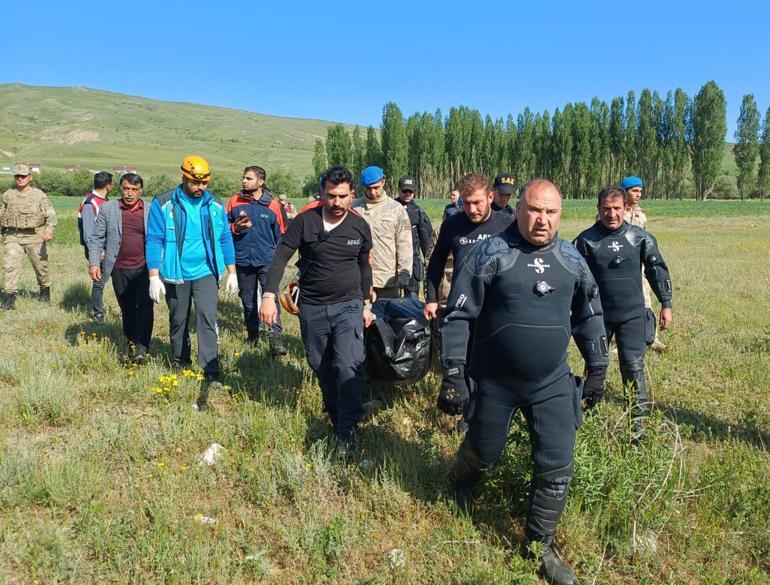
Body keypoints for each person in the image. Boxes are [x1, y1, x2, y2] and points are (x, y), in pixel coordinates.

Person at [439, 179, 609, 585]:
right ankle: (462, 484)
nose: (542, 220)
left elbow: (589, 315)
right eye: (534, 210)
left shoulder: (571, 259)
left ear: (561, 215)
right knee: (483, 454)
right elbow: (459, 315)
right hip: (495, 379)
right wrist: (454, 374)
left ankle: (539, 546)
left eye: (551, 213)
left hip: (550, 382)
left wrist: (598, 366)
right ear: (518, 209)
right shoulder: (491, 252)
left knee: (557, 465)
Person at [260, 165, 373, 457]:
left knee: (347, 364)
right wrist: (269, 296)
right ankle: (336, 414)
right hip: (312, 306)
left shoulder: (359, 226)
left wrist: (366, 304)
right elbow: (280, 258)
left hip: (349, 305)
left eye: (343, 196)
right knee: (320, 365)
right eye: (331, 196)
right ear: (322, 193)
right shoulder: (305, 222)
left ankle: (347, 430)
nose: (337, 203)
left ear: (352, 195)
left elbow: (364, 266)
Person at [573, 185, 673, 440]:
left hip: (632, 315)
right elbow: (570, 278)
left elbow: (657, 270)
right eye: (606, 209)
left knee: (633, 367)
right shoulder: (585, 241)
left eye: (617, 208)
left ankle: (636, 428)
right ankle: (587, 415)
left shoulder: (641, 238)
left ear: (626, 208)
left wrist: (666, 303)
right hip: (597, 316)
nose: (611, 214)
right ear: (598, 209)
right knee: (595, 367)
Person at [145, 155, 238, 410]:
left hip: (207, 271)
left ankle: (210, 368)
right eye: (196, 183)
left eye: (205, 183)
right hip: (175, 273)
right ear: (184, 178)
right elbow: (153, 238)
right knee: (178, 318)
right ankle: (180, 360)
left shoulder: (215, 205)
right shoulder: (164, 204)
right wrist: (153, 276)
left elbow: (225, 239)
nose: (200, 188)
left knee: (207, 317)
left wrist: (232, 271)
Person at [423, 172, 513, 320]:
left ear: (490, 197)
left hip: (498, 305)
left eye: (477, 202)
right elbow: (437, 262)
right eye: (466, 203)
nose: (471, 210)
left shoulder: (508, 224)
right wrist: (431, 299)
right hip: (462, 303)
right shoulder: (451, 225)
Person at [86, 173, 153, 364]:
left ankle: (142, 347)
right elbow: (97, 238)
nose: (130, 193)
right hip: (118, 267)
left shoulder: (150, 210)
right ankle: (131, 340)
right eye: (126, 189)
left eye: (134, 189)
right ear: (120, 189)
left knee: (145, 307)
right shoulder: (108, 208)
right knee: (127, 307)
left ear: (141, 191)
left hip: (144, 268)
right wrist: (93, 263)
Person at [226, 166, 287, 356]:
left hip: (267, 261)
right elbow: (222, 231)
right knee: (248, 301)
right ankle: (252, 334)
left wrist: (277, 260)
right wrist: (234, 227)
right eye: (243, 177)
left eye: (249, 178)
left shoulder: (274, 205)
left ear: (261, 182)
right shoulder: (234, 201)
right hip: (242, 260)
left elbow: (282, 235)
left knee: (271, 298)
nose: (244, 181)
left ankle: (275, 337)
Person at [620, 175, 667, 352]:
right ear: (624, 192)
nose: (638, 194)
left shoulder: (641, 214)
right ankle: (620, 341)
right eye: (634, 191)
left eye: (640, 191)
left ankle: (652, 338)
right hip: (618, 266)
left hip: (639, 265)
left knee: (646, 300)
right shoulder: (614, 211)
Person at [0, 164, 57, 310]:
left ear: (30, 177)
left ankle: (44, 291)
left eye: (23, 176)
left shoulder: (39, 195)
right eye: (17, 176)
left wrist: (49, 229)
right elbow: (1, 215)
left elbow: (50, 215)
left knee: (41, 268)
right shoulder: (7, 195)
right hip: (13, 235)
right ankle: (8, 299)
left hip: (34, 236)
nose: (20, 178)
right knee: (10, 266)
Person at [352, 166, 412, 299]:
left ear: (383, 182)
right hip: (359, 277)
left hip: (387, 278)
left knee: (386, 318)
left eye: (376, 187)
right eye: (368, 188)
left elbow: (404, 244)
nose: (373, 192)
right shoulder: (354, 208)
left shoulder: (396, 209)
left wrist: (403, 275)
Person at [78, 171, 114, 324]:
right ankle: (98, 314)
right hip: (99, 251)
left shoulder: (103, 201)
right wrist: (97, 252)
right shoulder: (90, 203)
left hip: (107, 249)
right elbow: (88, 232)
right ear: (108, 185)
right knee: (99, 282)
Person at [395, 175, 433, 298]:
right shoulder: (391, 208)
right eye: (404, 191)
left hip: (412, 263)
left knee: (411, 300)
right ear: (398, 190)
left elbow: (427, 242)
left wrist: (430, 264)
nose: (407, 194)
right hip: (391, 263)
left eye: (410, 191)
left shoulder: (418, 212)